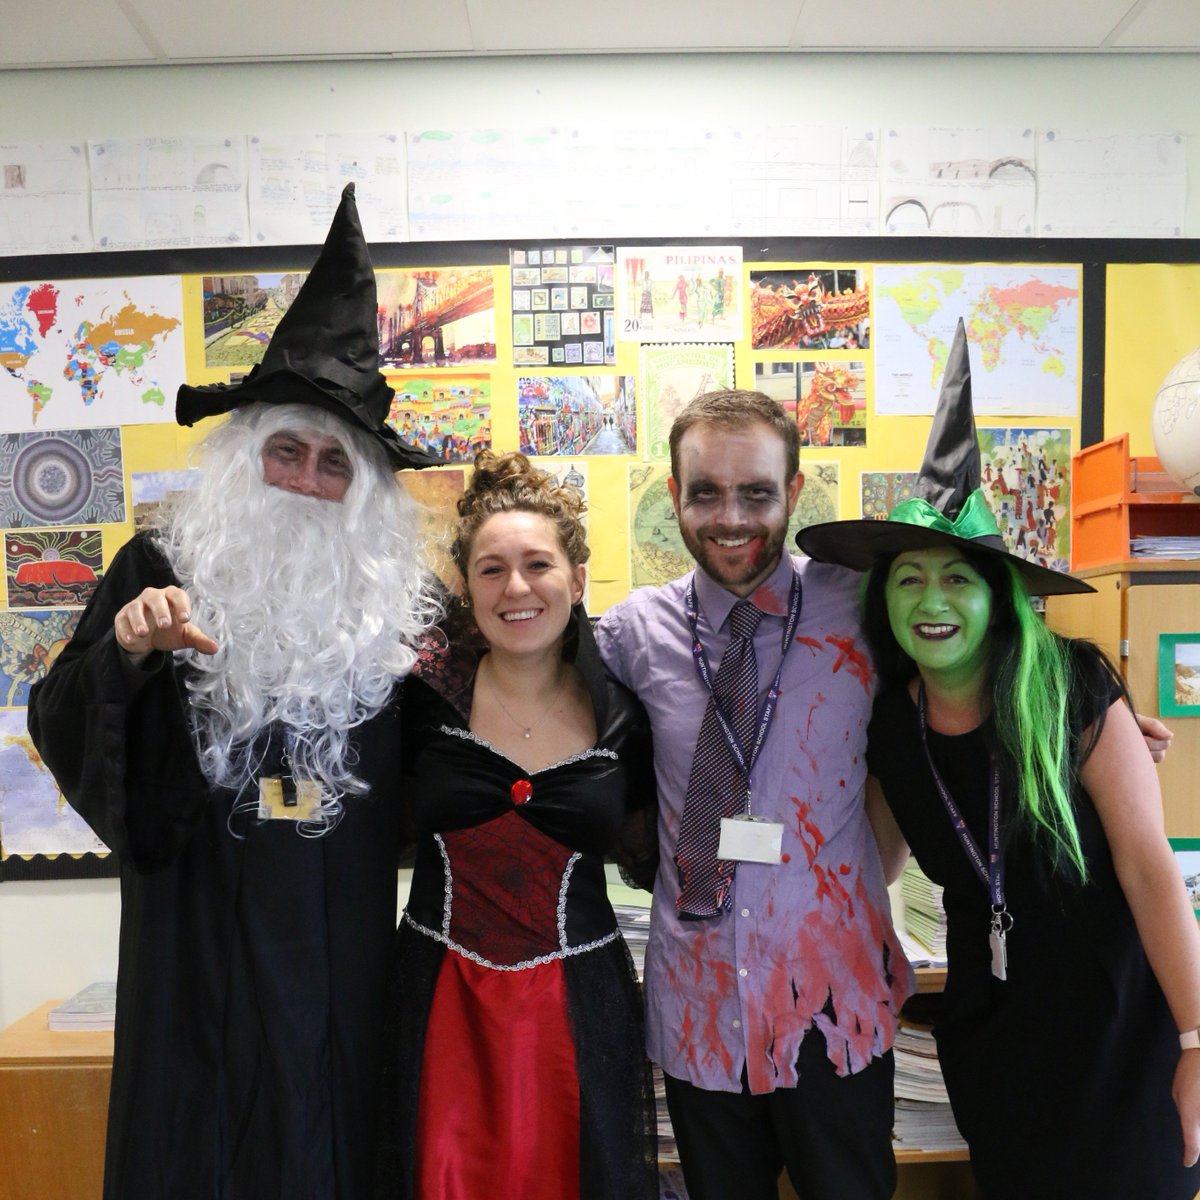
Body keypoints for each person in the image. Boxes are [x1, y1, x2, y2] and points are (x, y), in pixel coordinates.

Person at [27, 184, 439, 1200]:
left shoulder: (397, 614)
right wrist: (127, 657)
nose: (304, 480)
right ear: (242, 456)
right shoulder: (155, 569)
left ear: (363, 495)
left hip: (341, 967)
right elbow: (66, 722)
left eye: (333, 464)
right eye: (284, 451)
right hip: (193, 958)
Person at [798, 320, 1200, 1199]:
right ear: (884, 599)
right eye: (909, 578)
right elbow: (874, 864)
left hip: (1117, 1026)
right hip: (996, 1034)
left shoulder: (1070, 691)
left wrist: (1198, 1040)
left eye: (958, 578)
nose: (931, 599)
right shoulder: (891, 724)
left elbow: (1149, 869)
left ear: (998, 597)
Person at [596, 389, 910, 1200]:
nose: (730, 518)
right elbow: (527, 690)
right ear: (674, 494)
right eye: (705, 493)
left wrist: (1099, 725)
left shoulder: (861, 606)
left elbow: (977, 668)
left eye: (757, 493)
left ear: (796, 491)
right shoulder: (631, 635)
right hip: (699, 1005)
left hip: (831, 1006)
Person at [375, 450, 659, 1200]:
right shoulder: (417, 706)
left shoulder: (624, 715)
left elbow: (661, 850)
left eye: (538, 565)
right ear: (466, 588)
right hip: (440, 1003)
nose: (517, 588)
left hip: (579, 1008)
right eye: (492, 570)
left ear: (578, 579)